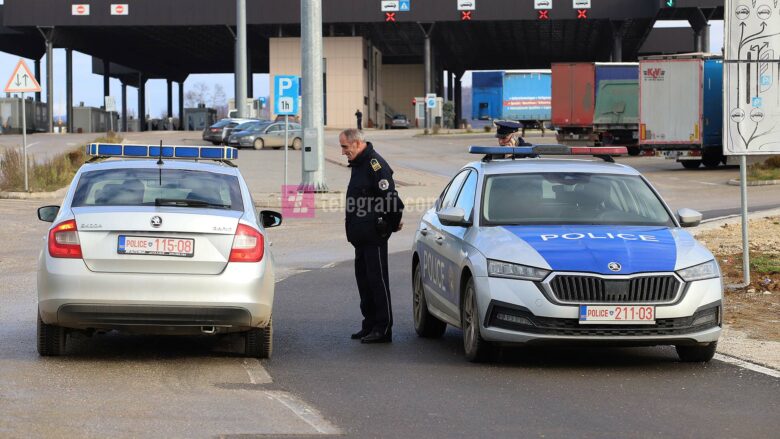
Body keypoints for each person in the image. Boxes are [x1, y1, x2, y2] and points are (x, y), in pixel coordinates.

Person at [340, 129, 404, 344]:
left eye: (345, 147)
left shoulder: (375, 165)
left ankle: (383, 328)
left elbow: (391, 199)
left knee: (378, 282)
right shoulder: (359, 164)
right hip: (361, 236)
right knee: (365, 282)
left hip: (374, 236)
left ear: (357, 144)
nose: (342, 152)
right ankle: (369, 324)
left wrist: (393, 224)